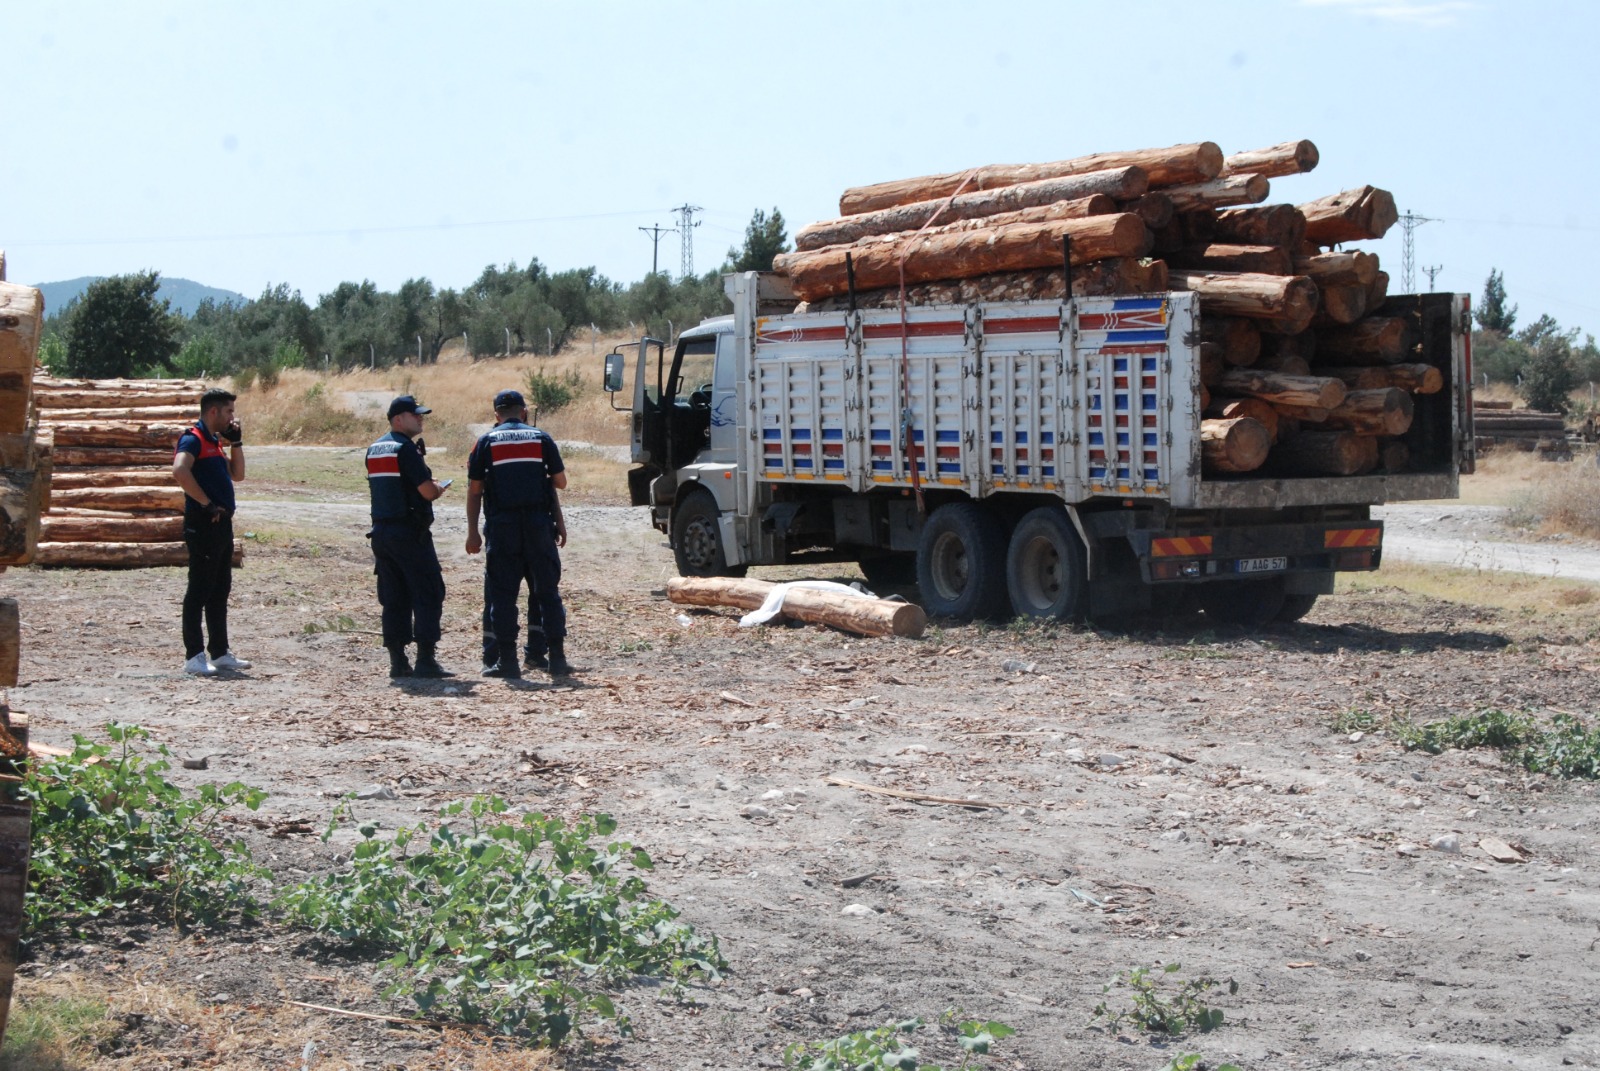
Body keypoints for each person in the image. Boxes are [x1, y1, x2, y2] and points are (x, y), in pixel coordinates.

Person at [465, 389, 570, 679]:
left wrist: (473, 532)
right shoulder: (541, 438)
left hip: (503, 528)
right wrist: (559, 521)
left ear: (497, 415)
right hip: (538, 526)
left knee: (502, 596)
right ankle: (557, 659)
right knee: (548, 593)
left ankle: (507, 662)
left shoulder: (485, 441)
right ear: (523, 411)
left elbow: (475, 490)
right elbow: (559, 483)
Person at [366, 395, 454, 680]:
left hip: (382, 532)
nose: (420, 418)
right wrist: (438, 487)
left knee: (394, 596)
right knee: (428, 591)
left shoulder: (375, 448)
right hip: (409, 532)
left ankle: (397, 660)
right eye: (415, 415)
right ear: (397, 419)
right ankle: (426, 660)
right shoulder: (405, 449)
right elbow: (426, 491)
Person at [172, 388, 250, 676]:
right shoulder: (193, 439)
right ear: (213, 412)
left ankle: (219, 652)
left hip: (222, 524)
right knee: (199, 590)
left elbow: (238, 475)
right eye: (228, 411)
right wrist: (206, 504)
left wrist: (237, 442)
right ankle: (194, 656)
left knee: (220, 589)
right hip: (204, 522)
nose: (233, 416)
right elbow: (180, 471)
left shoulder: (215, 442)